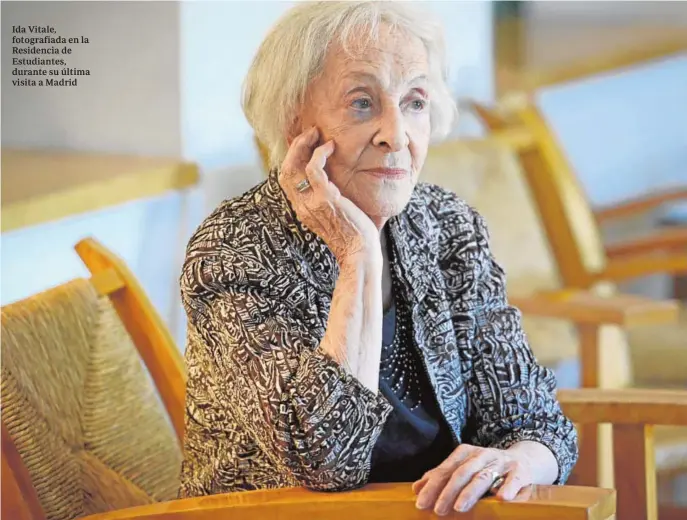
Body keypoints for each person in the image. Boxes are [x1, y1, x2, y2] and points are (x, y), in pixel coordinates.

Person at [178, 1, 578, 516]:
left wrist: (518, 460)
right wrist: (357, 255)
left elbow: (536, 419)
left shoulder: (447, 226)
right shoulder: (234, 251)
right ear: (295, 119)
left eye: (414, 102)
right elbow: (328, 460)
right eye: (362, 103)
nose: (396, 134)